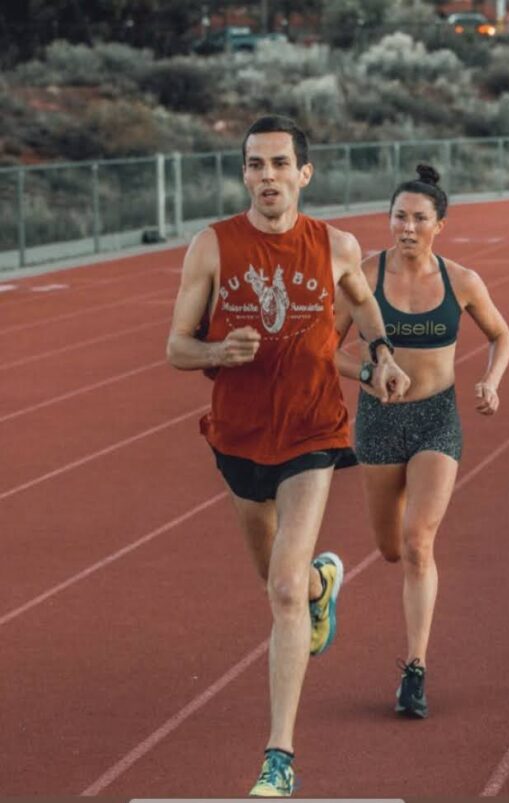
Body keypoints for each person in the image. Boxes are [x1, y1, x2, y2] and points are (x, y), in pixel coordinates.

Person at [165, 114, 409, 797]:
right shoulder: (211, 248)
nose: (266, 176)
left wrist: (383, 357)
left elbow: (363, 303)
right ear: (244, 173)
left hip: (312, 433)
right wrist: (217, 352)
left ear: (305, 173)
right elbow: (176, 347)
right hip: (240, 440)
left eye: (279, 164)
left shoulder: (335, 244)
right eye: (255, 164)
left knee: (278, 591)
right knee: (281, 579)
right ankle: (321, 586)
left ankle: (280, 755)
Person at [335, 164, 509, 719]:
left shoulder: (462, 281)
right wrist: (367, 375)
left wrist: (490, 380)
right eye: (398, 217)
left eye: (418, 219)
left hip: (439, 419)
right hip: (379, 423)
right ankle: (334, 580)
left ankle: (415, 669)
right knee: (389, 549)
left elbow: (501, 335)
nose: (406, 228)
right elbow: (326, 349)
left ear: (439, 224)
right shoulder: (363, 275)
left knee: (418, 542)